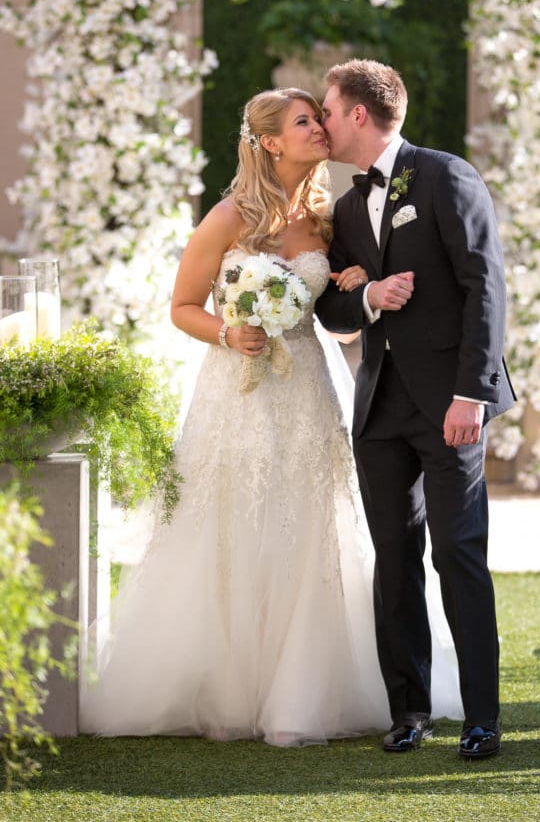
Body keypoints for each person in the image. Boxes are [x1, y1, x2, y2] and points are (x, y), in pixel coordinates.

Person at [81, 86, 461, 745]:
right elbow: (182, 305)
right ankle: (230, 687)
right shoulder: (229, 217)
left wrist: (352, 293)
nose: (320, 129)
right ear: (270, 142)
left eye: (320, 117)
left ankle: (306, 690)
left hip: (310, 386)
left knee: (311, 523)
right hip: (240, 392)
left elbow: (342, 321)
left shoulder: (328, 217)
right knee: (235, 521)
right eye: (305, 121)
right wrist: (229, 333)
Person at [316, 59, 515, 759]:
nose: (324, 122)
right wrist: (367, 295)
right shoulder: (343, 208)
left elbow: (485, 287)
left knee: (459, 553)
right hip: (380, 409)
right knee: (394, 558)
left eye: (330, 111)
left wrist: (473, 395)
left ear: (360, 115)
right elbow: (331, 304)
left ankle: (482, 719)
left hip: (450, 403)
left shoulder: (445, 175)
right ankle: (408, 711)